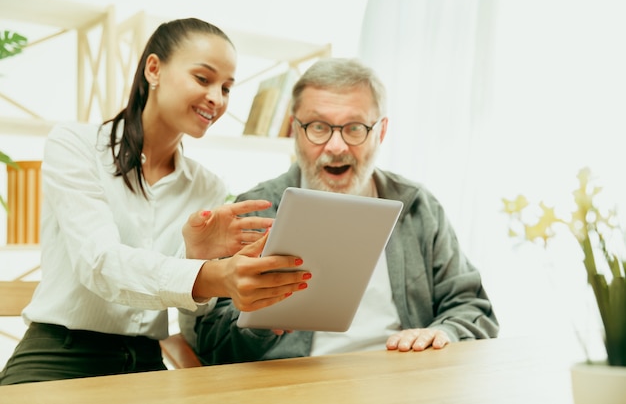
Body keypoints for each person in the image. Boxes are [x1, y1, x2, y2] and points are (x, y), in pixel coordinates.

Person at [0, 18, 311, 385]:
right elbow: (100, 264)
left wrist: (200, 262)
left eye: (227, 88)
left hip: (146, 361)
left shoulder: (207, 186)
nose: (217, 98)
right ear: (154, 69)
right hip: (59, 355)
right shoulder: (75, 145)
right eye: (203, 78)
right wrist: (211, 275)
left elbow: (188, 301)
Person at [180, 57, 499, 364]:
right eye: (318, 127)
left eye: (355, 128)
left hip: (403, 379)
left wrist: (444, 333)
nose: (336, 147)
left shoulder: (417, 205)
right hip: (295, 388)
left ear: (381, 132)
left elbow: (472, 307)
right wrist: (258, 323)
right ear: (295, 130)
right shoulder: (253, 211)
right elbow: (212, 346)